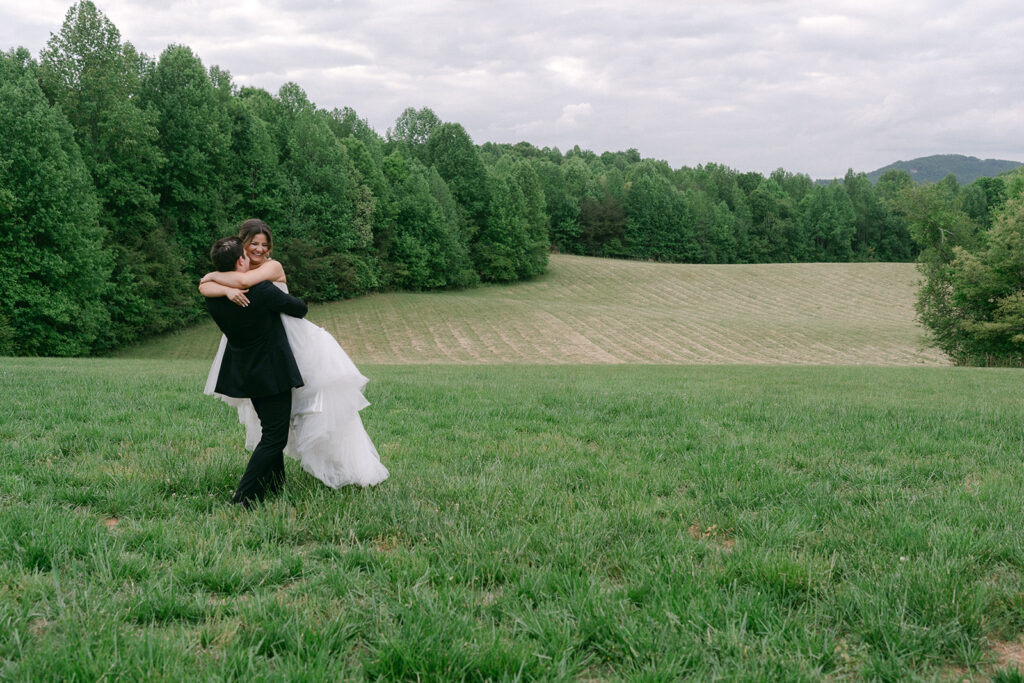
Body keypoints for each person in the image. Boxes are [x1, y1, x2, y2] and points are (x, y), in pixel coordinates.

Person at [199, 219, 389, 490]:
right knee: (274, 426)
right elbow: (209, 284)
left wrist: (220, 281)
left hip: (294, 345)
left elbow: (225, 281)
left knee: (311, 411)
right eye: (253, 244)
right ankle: (269, 485)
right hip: (264, 350)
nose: (259, 250)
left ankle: (332, 463)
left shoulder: (270, 268)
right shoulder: (237, 277)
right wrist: (226, 289)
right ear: (243, 247)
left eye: (265, 245)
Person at [203, 236, 308, 508]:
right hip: (272, 371)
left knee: (269, 429)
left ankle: (274, 485)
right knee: (275, 437)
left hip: (245, 372)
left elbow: (206, 284)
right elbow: (300, 308)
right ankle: (243, 496)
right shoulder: (261, 290)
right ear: (241, 260)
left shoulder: (213, 296)